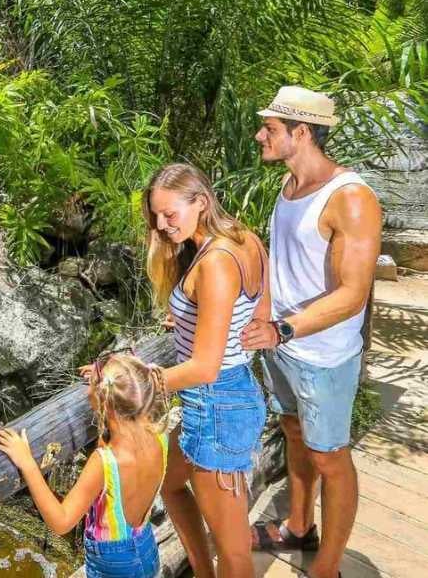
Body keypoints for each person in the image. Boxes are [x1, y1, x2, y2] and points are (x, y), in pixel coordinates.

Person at [240, 86, 382, 578]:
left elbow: (353, 293)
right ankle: (299, 527)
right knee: (295, 433)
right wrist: (258, 312)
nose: (260, 135)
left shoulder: (352, 199)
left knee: (330, 457)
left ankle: (327, 567)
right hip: (284, 344)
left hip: (322, 355)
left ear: (300, 134)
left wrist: (283, 328)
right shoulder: (289, 185)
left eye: (270, 129)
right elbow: (284, 267)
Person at [145, 162, 268, 578]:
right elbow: (257, 317)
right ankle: (201, 572)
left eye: (170, 214)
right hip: (230, 394)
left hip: (216, 404)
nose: (161, 225)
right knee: (169, 480)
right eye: (156, 216)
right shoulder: (245, 238)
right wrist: (195, 320)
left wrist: (137, 378)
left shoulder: (214, 261)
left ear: (200, 202)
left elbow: (205, 366)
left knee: (233, 552)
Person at [0, 353, 170, 578]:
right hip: (146, 549)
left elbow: (61, 521)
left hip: (114, 567)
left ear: (104, 401)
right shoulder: (158, 436)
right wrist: (112, 380)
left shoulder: (104, 462)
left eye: (94, 384)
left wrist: (27, 463)